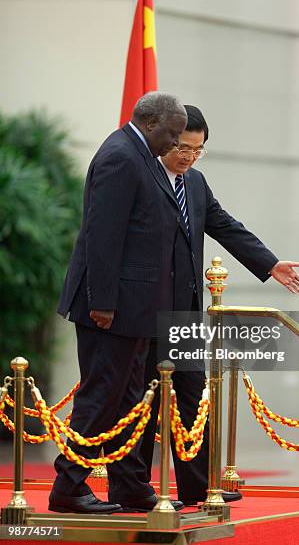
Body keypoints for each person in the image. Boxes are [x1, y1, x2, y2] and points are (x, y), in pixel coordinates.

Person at [140, 104, 299, 506]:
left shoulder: (195, 183)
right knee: (142, 403)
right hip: (143, 309)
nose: (188, 157)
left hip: (183, 314)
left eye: (198, 150)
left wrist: (269, 263)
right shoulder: (141, 176)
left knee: (194, 395)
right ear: (165, 140)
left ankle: (200, 486)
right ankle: (136, 488)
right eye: (182, 147)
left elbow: (225, 225)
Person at [49, 92, 189, 514]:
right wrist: (103, 302)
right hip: (111, 307)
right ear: (150, 123)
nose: (177, 140)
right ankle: (68, 486)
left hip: (137, 306)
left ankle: (129, 485)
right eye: (173, 131)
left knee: (129, 398)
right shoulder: (121, 156)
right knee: (102, 395)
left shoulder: (141, 154)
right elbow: (102, 233)